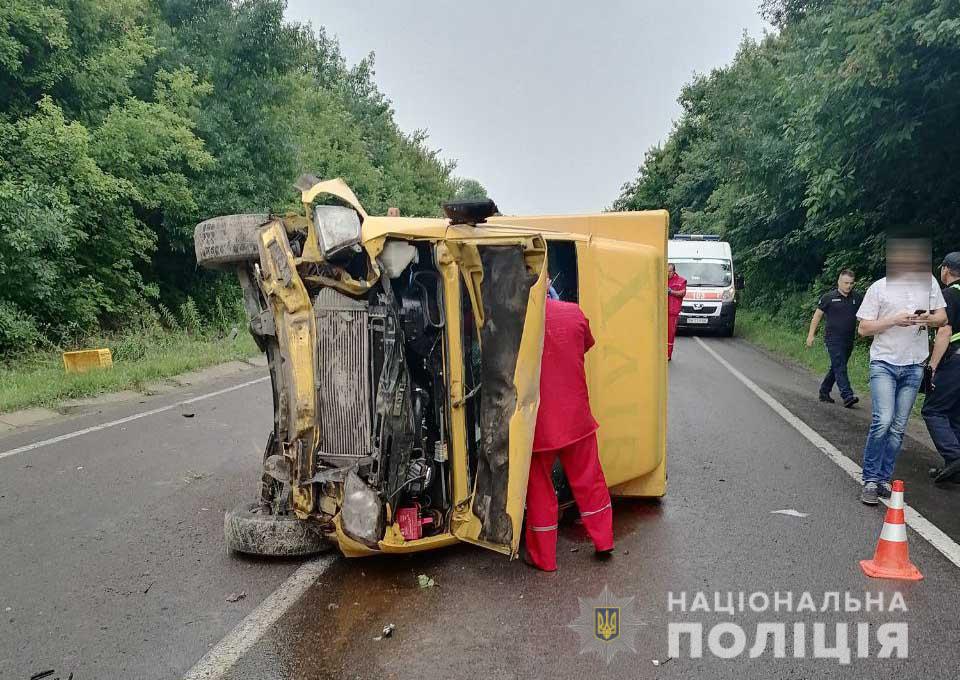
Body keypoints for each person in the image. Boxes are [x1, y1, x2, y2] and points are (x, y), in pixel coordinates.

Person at [524, 294, 613, 571]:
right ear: (548, 281)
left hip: (541, 424)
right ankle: (604, 540)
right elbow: (586, 343)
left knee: (539, 488)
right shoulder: (574, 312)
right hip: (576, 417)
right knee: (590, 480)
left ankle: (545, 558)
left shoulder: (519, 320)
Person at [856, 239, 947, 505]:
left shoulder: (928, 283)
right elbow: (863, 329)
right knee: (883, 419)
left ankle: (883, 478)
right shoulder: (879, 288)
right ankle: (870, 479)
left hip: (914, 363)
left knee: (898, 426)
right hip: (884, 361)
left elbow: (942, 317)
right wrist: (894, 320)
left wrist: (924, 319)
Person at [922, 252, 960, 484]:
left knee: (933, 410)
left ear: (945, 269)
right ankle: (955, 469)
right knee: (955, 414)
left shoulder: (949, 295)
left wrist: (932, 366)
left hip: (955, 360)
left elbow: (945, 330)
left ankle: (954, 456)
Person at [806, 269, 861, 407]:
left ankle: (824, 391)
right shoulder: (828, 297)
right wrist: (811, 335)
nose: (848, 286)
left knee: (837, 367)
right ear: (839, 282)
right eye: (846, 283)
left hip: (848, 339)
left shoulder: (857, 298)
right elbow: (817, 316)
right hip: (833, 339)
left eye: (851, 283)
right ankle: (847, 396)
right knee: (840, 366)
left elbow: (865, 315)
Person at [667, 263, 687, 361]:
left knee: (670, 334)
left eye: (669, 271)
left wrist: (671, 292)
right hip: (661, 312)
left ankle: (668, 355)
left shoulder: (681, 281)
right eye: (666, 271)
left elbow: (682, 293)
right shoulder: (662, 279)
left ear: (674, 271)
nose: (667, 273)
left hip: (672, 312)